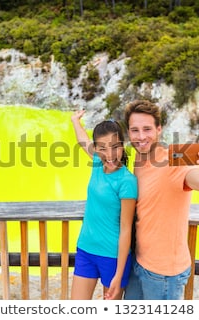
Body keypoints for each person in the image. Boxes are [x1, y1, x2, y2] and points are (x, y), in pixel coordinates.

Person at [123, 99, 199, 300]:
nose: (141, 136)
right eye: (135, 130)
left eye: (147, 129)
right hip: (138, 263)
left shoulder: (173, 161)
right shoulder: (138, 159)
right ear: (129, 132)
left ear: (159, 129)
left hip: (164, 274)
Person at [70, 109, 138, 300]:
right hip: (85, 249)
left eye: (115, 146)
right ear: (97, 149)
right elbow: (82, 140)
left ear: (122, 145)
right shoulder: (98, 163)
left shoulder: (127, 181)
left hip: (112, 257)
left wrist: (118, 273)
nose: (110, 154)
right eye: (102, 148)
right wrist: (75, 120)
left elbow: (126, 228)